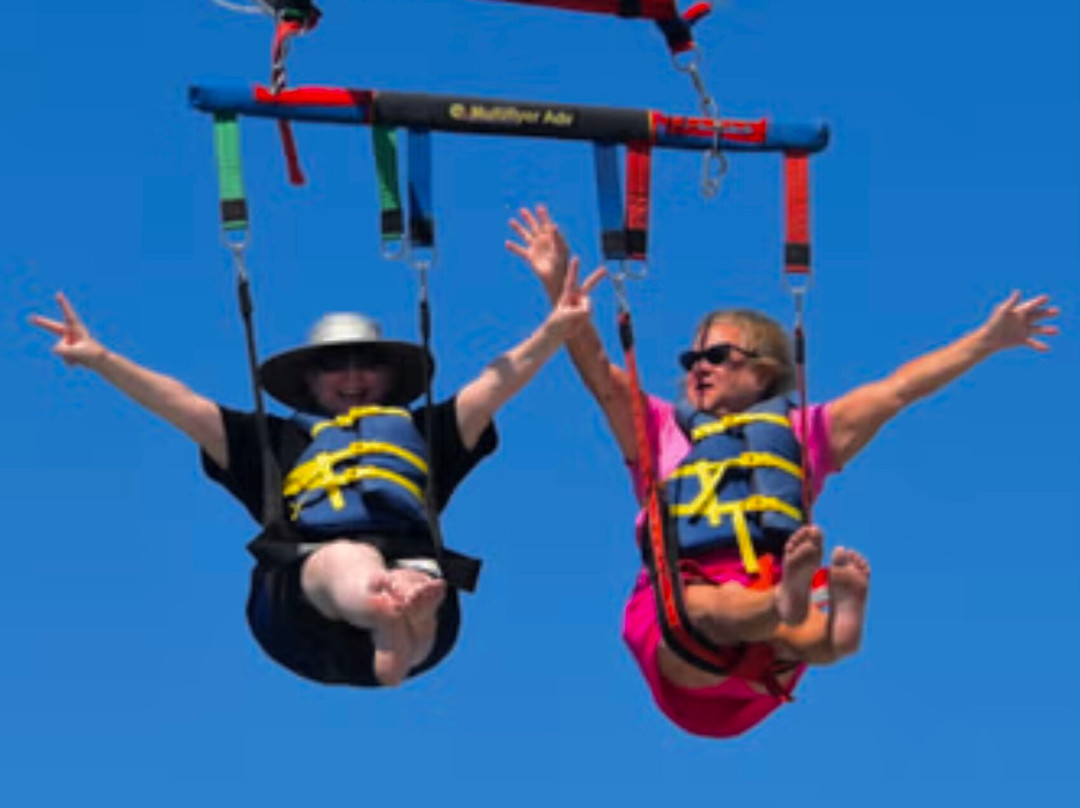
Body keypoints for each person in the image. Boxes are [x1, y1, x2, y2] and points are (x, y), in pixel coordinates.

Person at [507, 204, 1059, 737]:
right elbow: (600, 374)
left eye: (718, 356)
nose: (700, 367)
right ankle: (803, 614)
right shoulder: (660, 430)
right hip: (688, 631)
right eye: (692, 360)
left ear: (764, 372)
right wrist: (558, 288)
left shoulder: (804, 432)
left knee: (799, 629)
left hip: (761, 654)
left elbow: (898, 390)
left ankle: (832, 628)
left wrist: (987, 340)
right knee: (710, 607)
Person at [31, 259, 599, 688]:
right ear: (309, 379)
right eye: (333, 364)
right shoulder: (269, 443)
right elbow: (181, 404)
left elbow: (496, 383)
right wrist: (101, 359)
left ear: (390, 375)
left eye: (367, 363)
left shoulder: (426, 433)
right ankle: (384, 604)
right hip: (300, 620)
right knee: (346, 558)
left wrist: (556, 329)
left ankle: (405, 619)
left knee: (419, 574)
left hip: (424, 614)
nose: (352, 377)